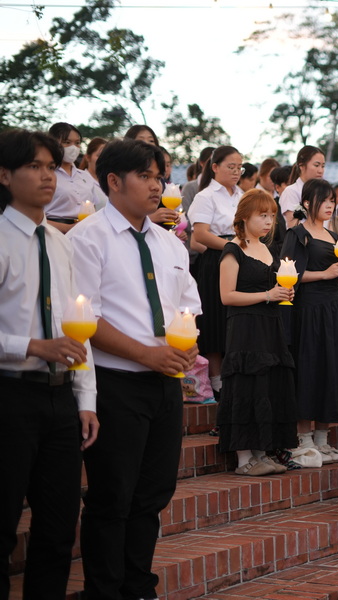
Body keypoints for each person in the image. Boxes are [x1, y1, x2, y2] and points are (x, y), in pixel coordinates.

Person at [69, 139, 201, 600]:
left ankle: (139, 586)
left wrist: (187, 345)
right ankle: (104, 590)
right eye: (145, 176)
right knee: (113, 495)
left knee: (153, 494)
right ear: (113, 181)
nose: (157, 186)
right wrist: (146, 354)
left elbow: (188, 306)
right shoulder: (86, 239)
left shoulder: (170, 243)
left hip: (164, 383)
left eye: (159, 177)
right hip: (114, 384)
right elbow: (84, 319)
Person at [0, 128, 99, 600]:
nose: (47, 176)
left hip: (60, 401)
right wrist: (33, 346)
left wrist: (86, 398)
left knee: (59, 529)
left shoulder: (60, 244)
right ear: (4, 175)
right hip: (9, 395)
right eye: (33, 166)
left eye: (50, 167)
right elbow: (47, 340)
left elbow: (78, 325)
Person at [280, 179, 338, 467]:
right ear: (306, 203)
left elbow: (335, 275)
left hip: (333, 308)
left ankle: (323, 438)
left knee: (331, 369)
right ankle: (303, 438)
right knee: (310, 369)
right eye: (324, 200)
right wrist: (326, 273)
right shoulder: (297, 234)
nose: (329, 205)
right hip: (308, 310)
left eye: (332, 201)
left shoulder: (334, 235)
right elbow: (287, 274)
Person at [218, 189, 295, 476]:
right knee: (246, 384)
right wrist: (267, 295)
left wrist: (282, 293)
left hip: (270, 324)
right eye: (262, 215)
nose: (268, 222)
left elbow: (272, 288)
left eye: (272, 216)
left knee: (268, 385)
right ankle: (244, 459)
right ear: (244, 217)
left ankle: (262, 451)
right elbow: (226, 295)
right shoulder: (233, 249)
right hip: (244, 326)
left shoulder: (268, 249)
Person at [188, 145, 244, 395]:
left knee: (236, 320)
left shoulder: (242, 195)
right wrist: (233, 247)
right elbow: (200, 235)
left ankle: (236, 379)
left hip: (241, 256)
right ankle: (217, 384)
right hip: (215, 260)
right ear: (214, 167)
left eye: (239, 167)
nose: (236, 171)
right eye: (231, 166)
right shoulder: (206, 196)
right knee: (214, 322)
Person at [44, 122, 107, 233]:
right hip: (53, 232)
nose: (73, 147)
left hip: (85, 232)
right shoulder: (45, 175)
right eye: (67, 142)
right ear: (52, 143)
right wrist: (68, 228)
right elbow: (33, 216)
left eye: (77, 143)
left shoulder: (85, 176)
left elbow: (94, 209)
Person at [279, 146, 326, 227]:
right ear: (301, 166)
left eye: (323, 166)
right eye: (316, 165)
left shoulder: (324, 192)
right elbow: (294, 226)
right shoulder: (291, 191)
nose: (320, 171)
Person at [79, 137, 108, 204]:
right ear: (88, 157)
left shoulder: (112, 182)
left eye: (107, 156)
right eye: (99, 155)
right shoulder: (80, 181)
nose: (104, 159)